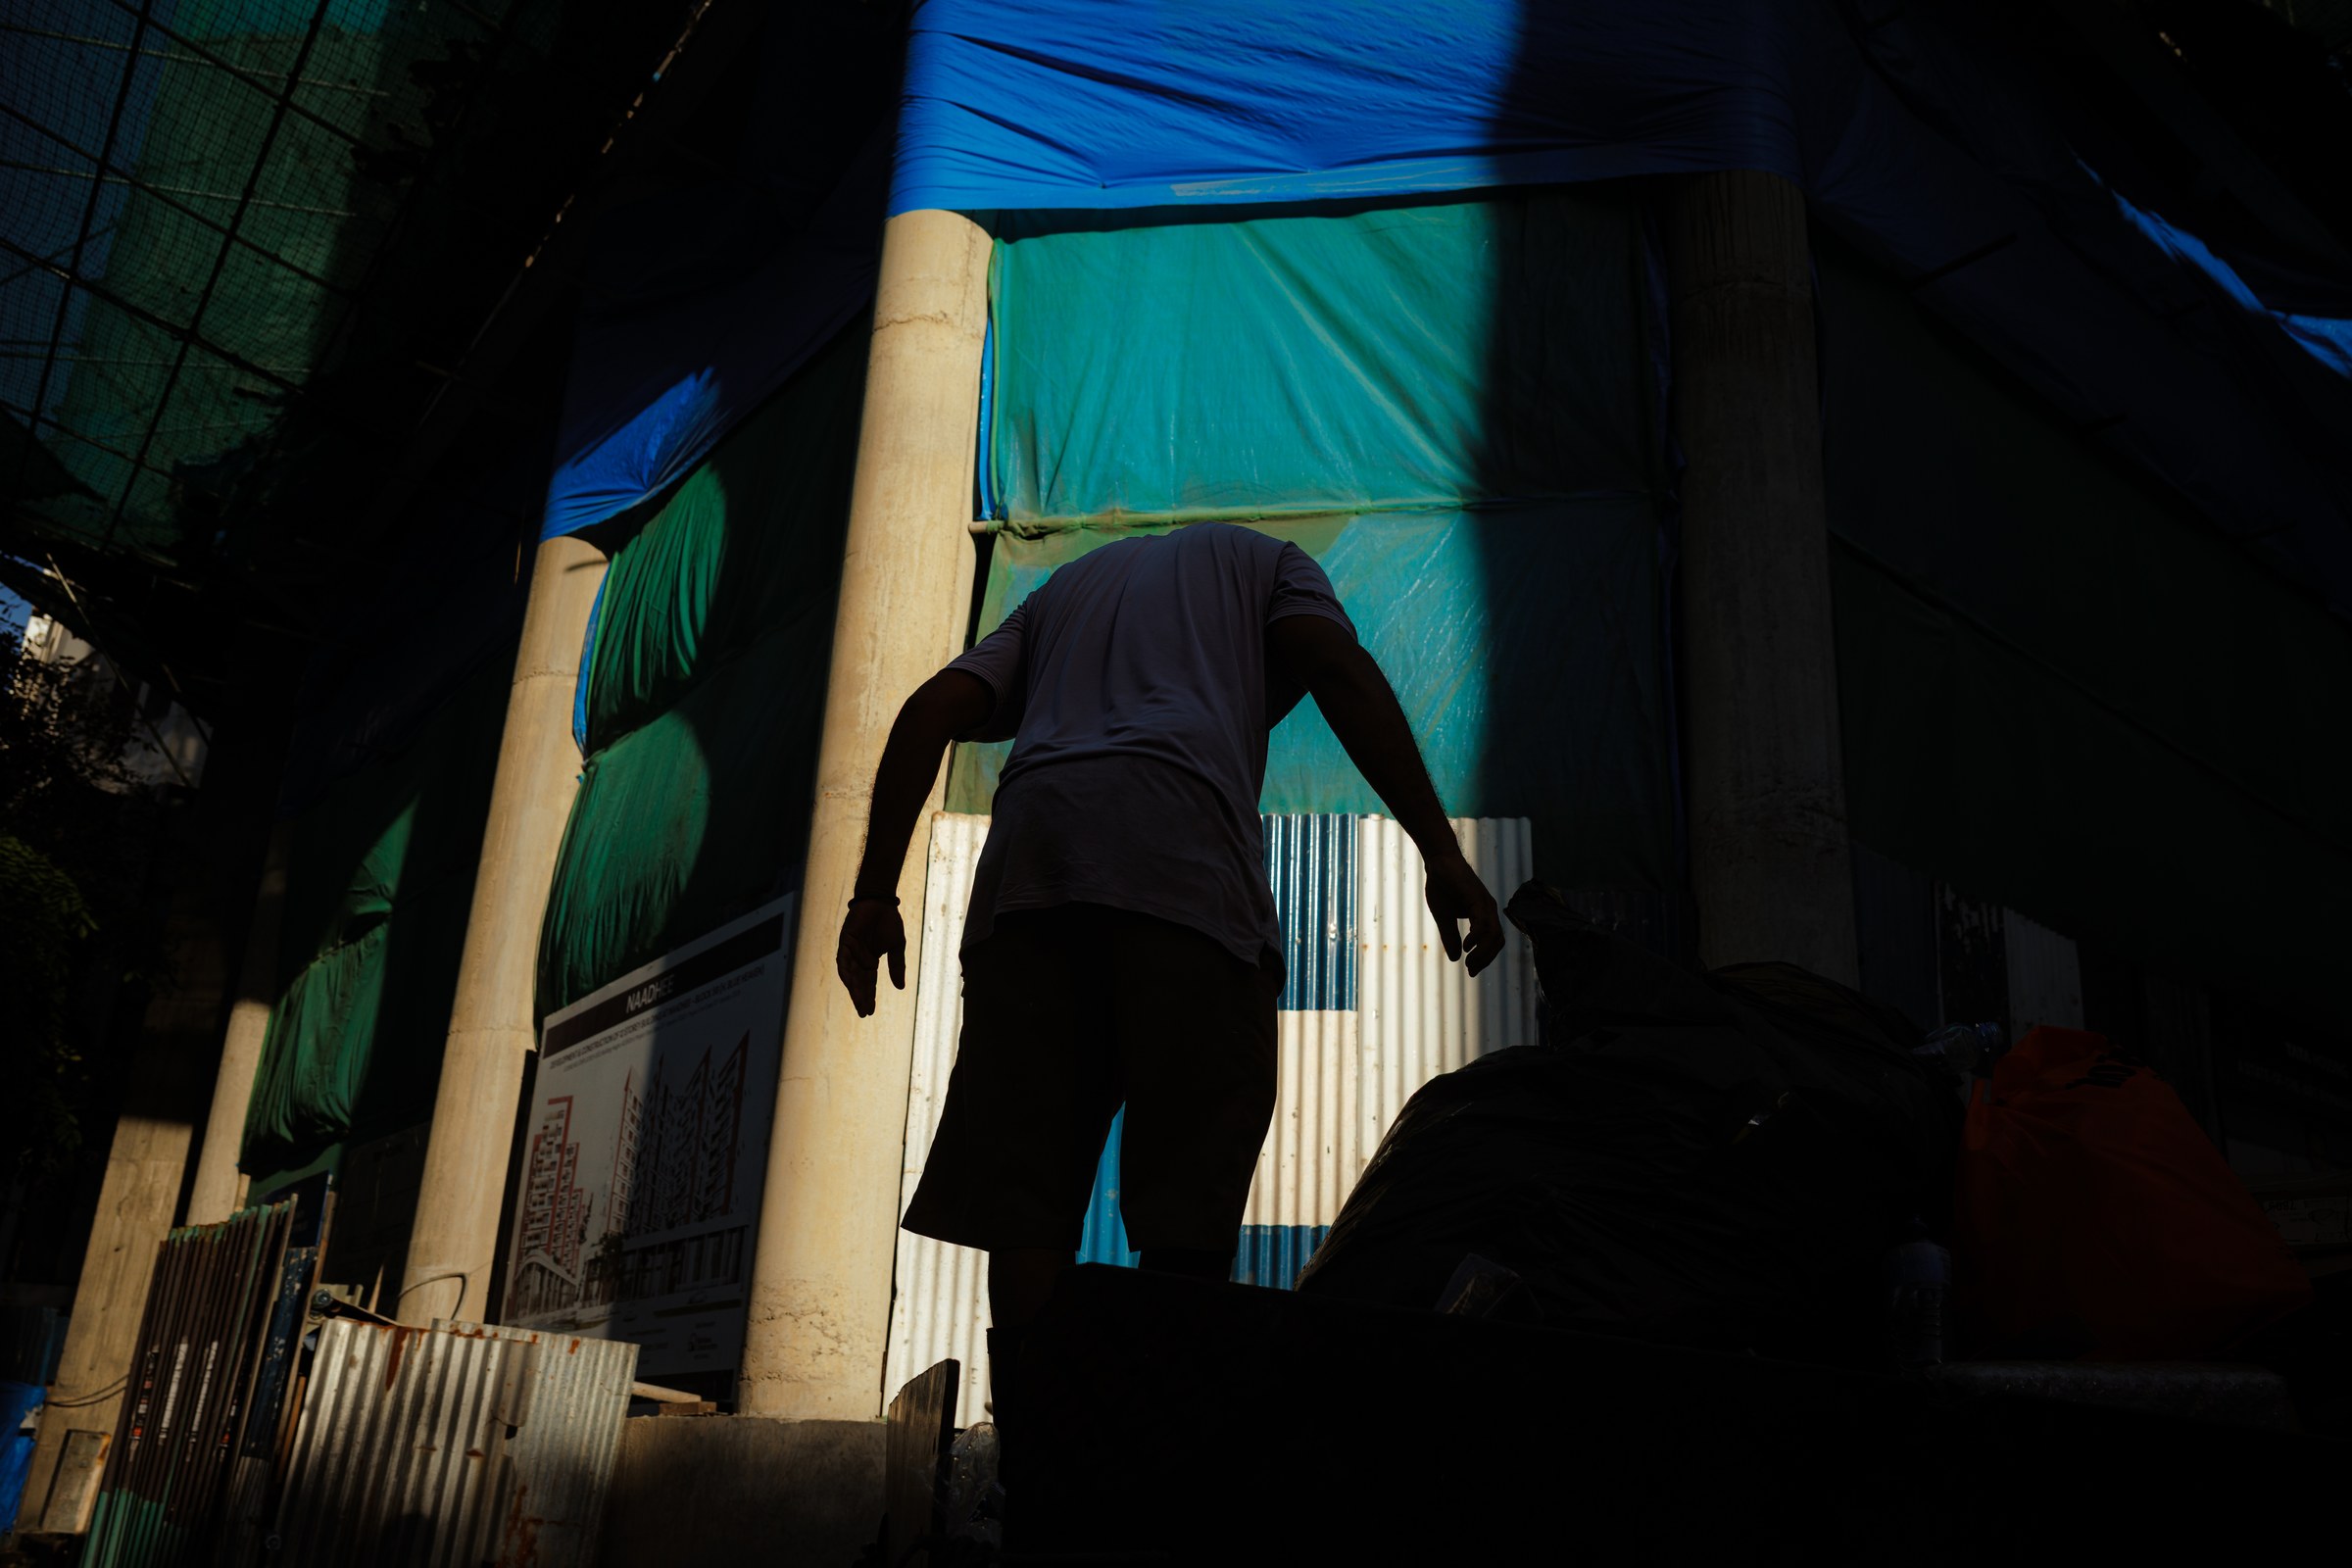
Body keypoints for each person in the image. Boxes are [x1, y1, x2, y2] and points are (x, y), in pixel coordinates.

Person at [834, 520, 1503, 1444]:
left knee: (1025, 1208)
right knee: (1187, 1197)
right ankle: (1155, 1460)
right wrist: (1439, 850)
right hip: (1180, 859)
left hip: (1033, 872)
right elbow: (1334, 666)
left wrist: (874, 893)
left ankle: (1037, 1474)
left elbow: (928, 710)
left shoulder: (1059, 594)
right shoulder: (1275, 566)